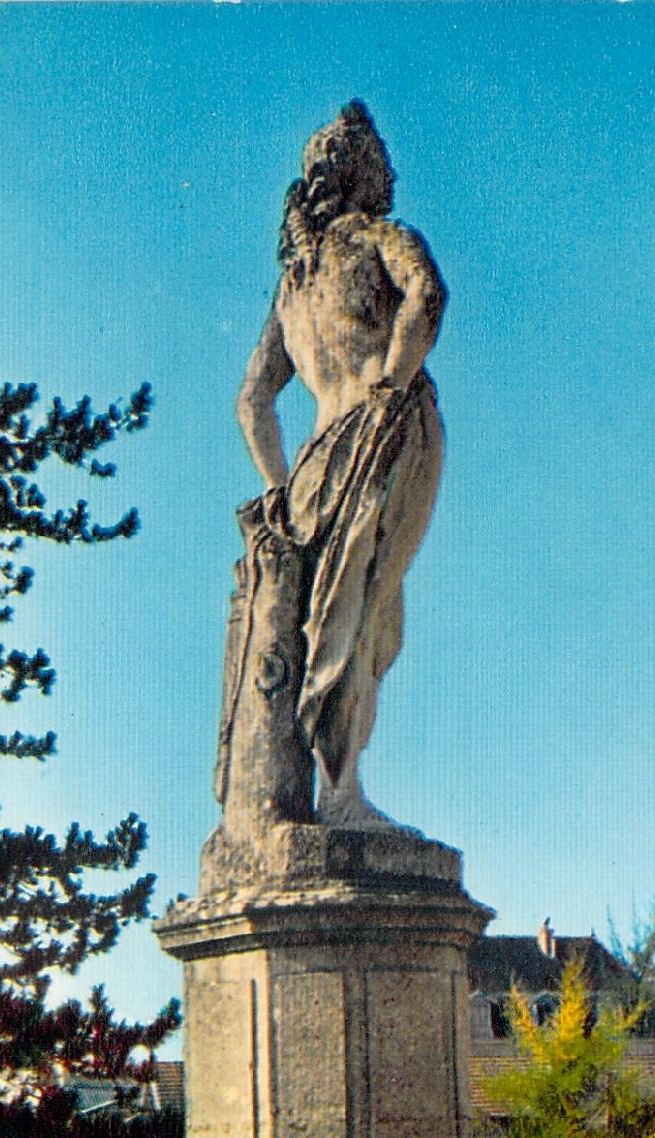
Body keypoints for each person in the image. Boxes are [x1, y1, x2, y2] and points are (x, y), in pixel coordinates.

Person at [233, 100, 446, 828]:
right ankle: (344, 792)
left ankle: (336, 786)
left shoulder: (293, 286)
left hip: (317, 465)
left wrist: (276, 488)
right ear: (370, 173)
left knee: (335, 615)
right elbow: (428, 293)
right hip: (385, 434)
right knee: (367, 613)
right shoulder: (383, 239)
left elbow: (252, 401)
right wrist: (392, 382)